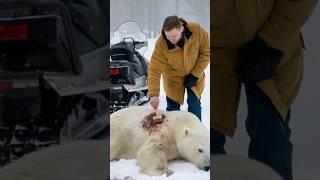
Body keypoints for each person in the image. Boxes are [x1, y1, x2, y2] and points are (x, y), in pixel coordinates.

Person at [212, 1, 318, 180]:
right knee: (207, 141)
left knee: (269, 134)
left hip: (273, 34)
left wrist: (274, 40)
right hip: (215, 48)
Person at [147, 15, 210, 120]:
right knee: (172, 111)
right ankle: (173, 135)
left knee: (195, 107)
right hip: (173, 80)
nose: (171, 40)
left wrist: (195, 74)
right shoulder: (161, 43)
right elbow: (154, 69)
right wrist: (154, 94)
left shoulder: (197, 31)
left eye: (174, 36)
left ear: (182, 29)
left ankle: (195, 134)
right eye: (168, 36)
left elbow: (206, 52)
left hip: (194, 76)